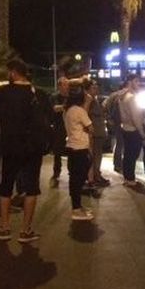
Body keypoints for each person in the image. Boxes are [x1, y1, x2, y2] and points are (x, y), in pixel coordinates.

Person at [0, 59, 42, 243]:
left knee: (6, 185)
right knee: (31, 188)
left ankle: (4, 227)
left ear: (13, 73)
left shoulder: (2, 92)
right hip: (33, 147)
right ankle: (26, 230)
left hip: (10, 146)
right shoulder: (38, 93)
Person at [63, 85, 95, 221]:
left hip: (71, 147)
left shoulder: (68, 110)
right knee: (78, 179)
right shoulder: (79, 111)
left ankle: (77, 207)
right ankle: (76, 210)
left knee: (74, 178)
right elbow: (91, 128)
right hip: (80, 148)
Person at [118, 74, 145, 186]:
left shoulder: (122, 96)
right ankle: (130, 179)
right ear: (130, 82)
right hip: (133, 129)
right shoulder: (131, 98)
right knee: (133, 155)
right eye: (136, 81)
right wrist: (142, 133)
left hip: (125, 128)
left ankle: (127, 178)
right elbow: (136, 117)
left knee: (127, 154)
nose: (139, 84)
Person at [84, 80, 110, 187]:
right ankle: (95, 176)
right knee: (95, 156)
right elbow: (85, 114)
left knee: (98, 155)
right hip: (94, 133)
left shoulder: (95, 100)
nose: (96, 89)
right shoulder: (88, 100)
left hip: (99, 132)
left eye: (96, 87)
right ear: (88, 89)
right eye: (93, 87)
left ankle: (97, 174)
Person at [103, 81, 128, 173]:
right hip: (120, 122)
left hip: (115, 123)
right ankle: (118, 165)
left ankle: (117, 163)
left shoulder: (112, 95)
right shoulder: (120, 96)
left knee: (119, 143)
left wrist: (109, 118)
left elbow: (104, 106)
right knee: (121, 144)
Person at [50, 77, 70, 188]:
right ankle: (56, 174)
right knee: (57, 152)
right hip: (59, 127)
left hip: (70, 127)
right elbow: (54, 108)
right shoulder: (55, 97)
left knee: (72, 151)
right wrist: (65, 106)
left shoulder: (72, 96)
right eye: (65, 85)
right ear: (60, 86)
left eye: (68, 84)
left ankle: (72, 172)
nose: (67, 87)